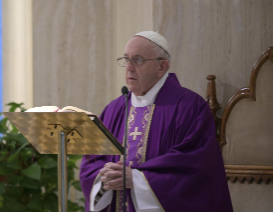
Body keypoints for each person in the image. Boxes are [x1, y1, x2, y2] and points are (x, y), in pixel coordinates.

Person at [80, 31, 233, 212]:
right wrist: (103, 178)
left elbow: (195, 168)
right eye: (125, 59)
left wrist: (136, 180)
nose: (129, 67)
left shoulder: (189, 107)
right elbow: (92, 160)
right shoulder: (114, 109)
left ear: (162, 67)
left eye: (137, 60)